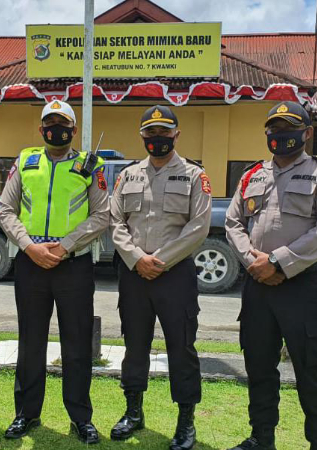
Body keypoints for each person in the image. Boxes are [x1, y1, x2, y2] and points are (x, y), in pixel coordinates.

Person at [225, 102, 317, 450]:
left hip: (301, 286)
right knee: (259, 366)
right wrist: (254, 263)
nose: (281, 135)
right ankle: (262, 438)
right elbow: (233, 223)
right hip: (257, 285)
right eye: (274, 129)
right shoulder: (252, 175)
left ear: (306, 133)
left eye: (289, 128)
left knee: (311, 370)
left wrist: (277, 262)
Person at [0, 100, 109, 444]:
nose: (55, 129)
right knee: (31, 343)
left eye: (62, 124)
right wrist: (30, 246)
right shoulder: (26, 161)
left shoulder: (91, 165)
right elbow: (5, 210)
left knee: (76, 345)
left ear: (73, 131)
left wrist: (64, 247)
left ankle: (81, 418)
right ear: (40, 128)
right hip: (31, 263)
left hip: (72, 265)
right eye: (49, 123)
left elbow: (102, 215)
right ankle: (26, 414)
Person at [109, 105, 211, 450]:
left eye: (164, 132)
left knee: (181, 348)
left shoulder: (195, 176)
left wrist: (160, 260)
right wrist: (138, 258)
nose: (157, 139)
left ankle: (186, 423)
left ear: (176, 135)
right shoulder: (128, 175)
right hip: (135, 273)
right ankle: (133, 413)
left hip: (175, 275)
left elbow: (198, 227)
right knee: (134, 345)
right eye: (150, 133)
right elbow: (115, 222)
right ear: (142, 137)